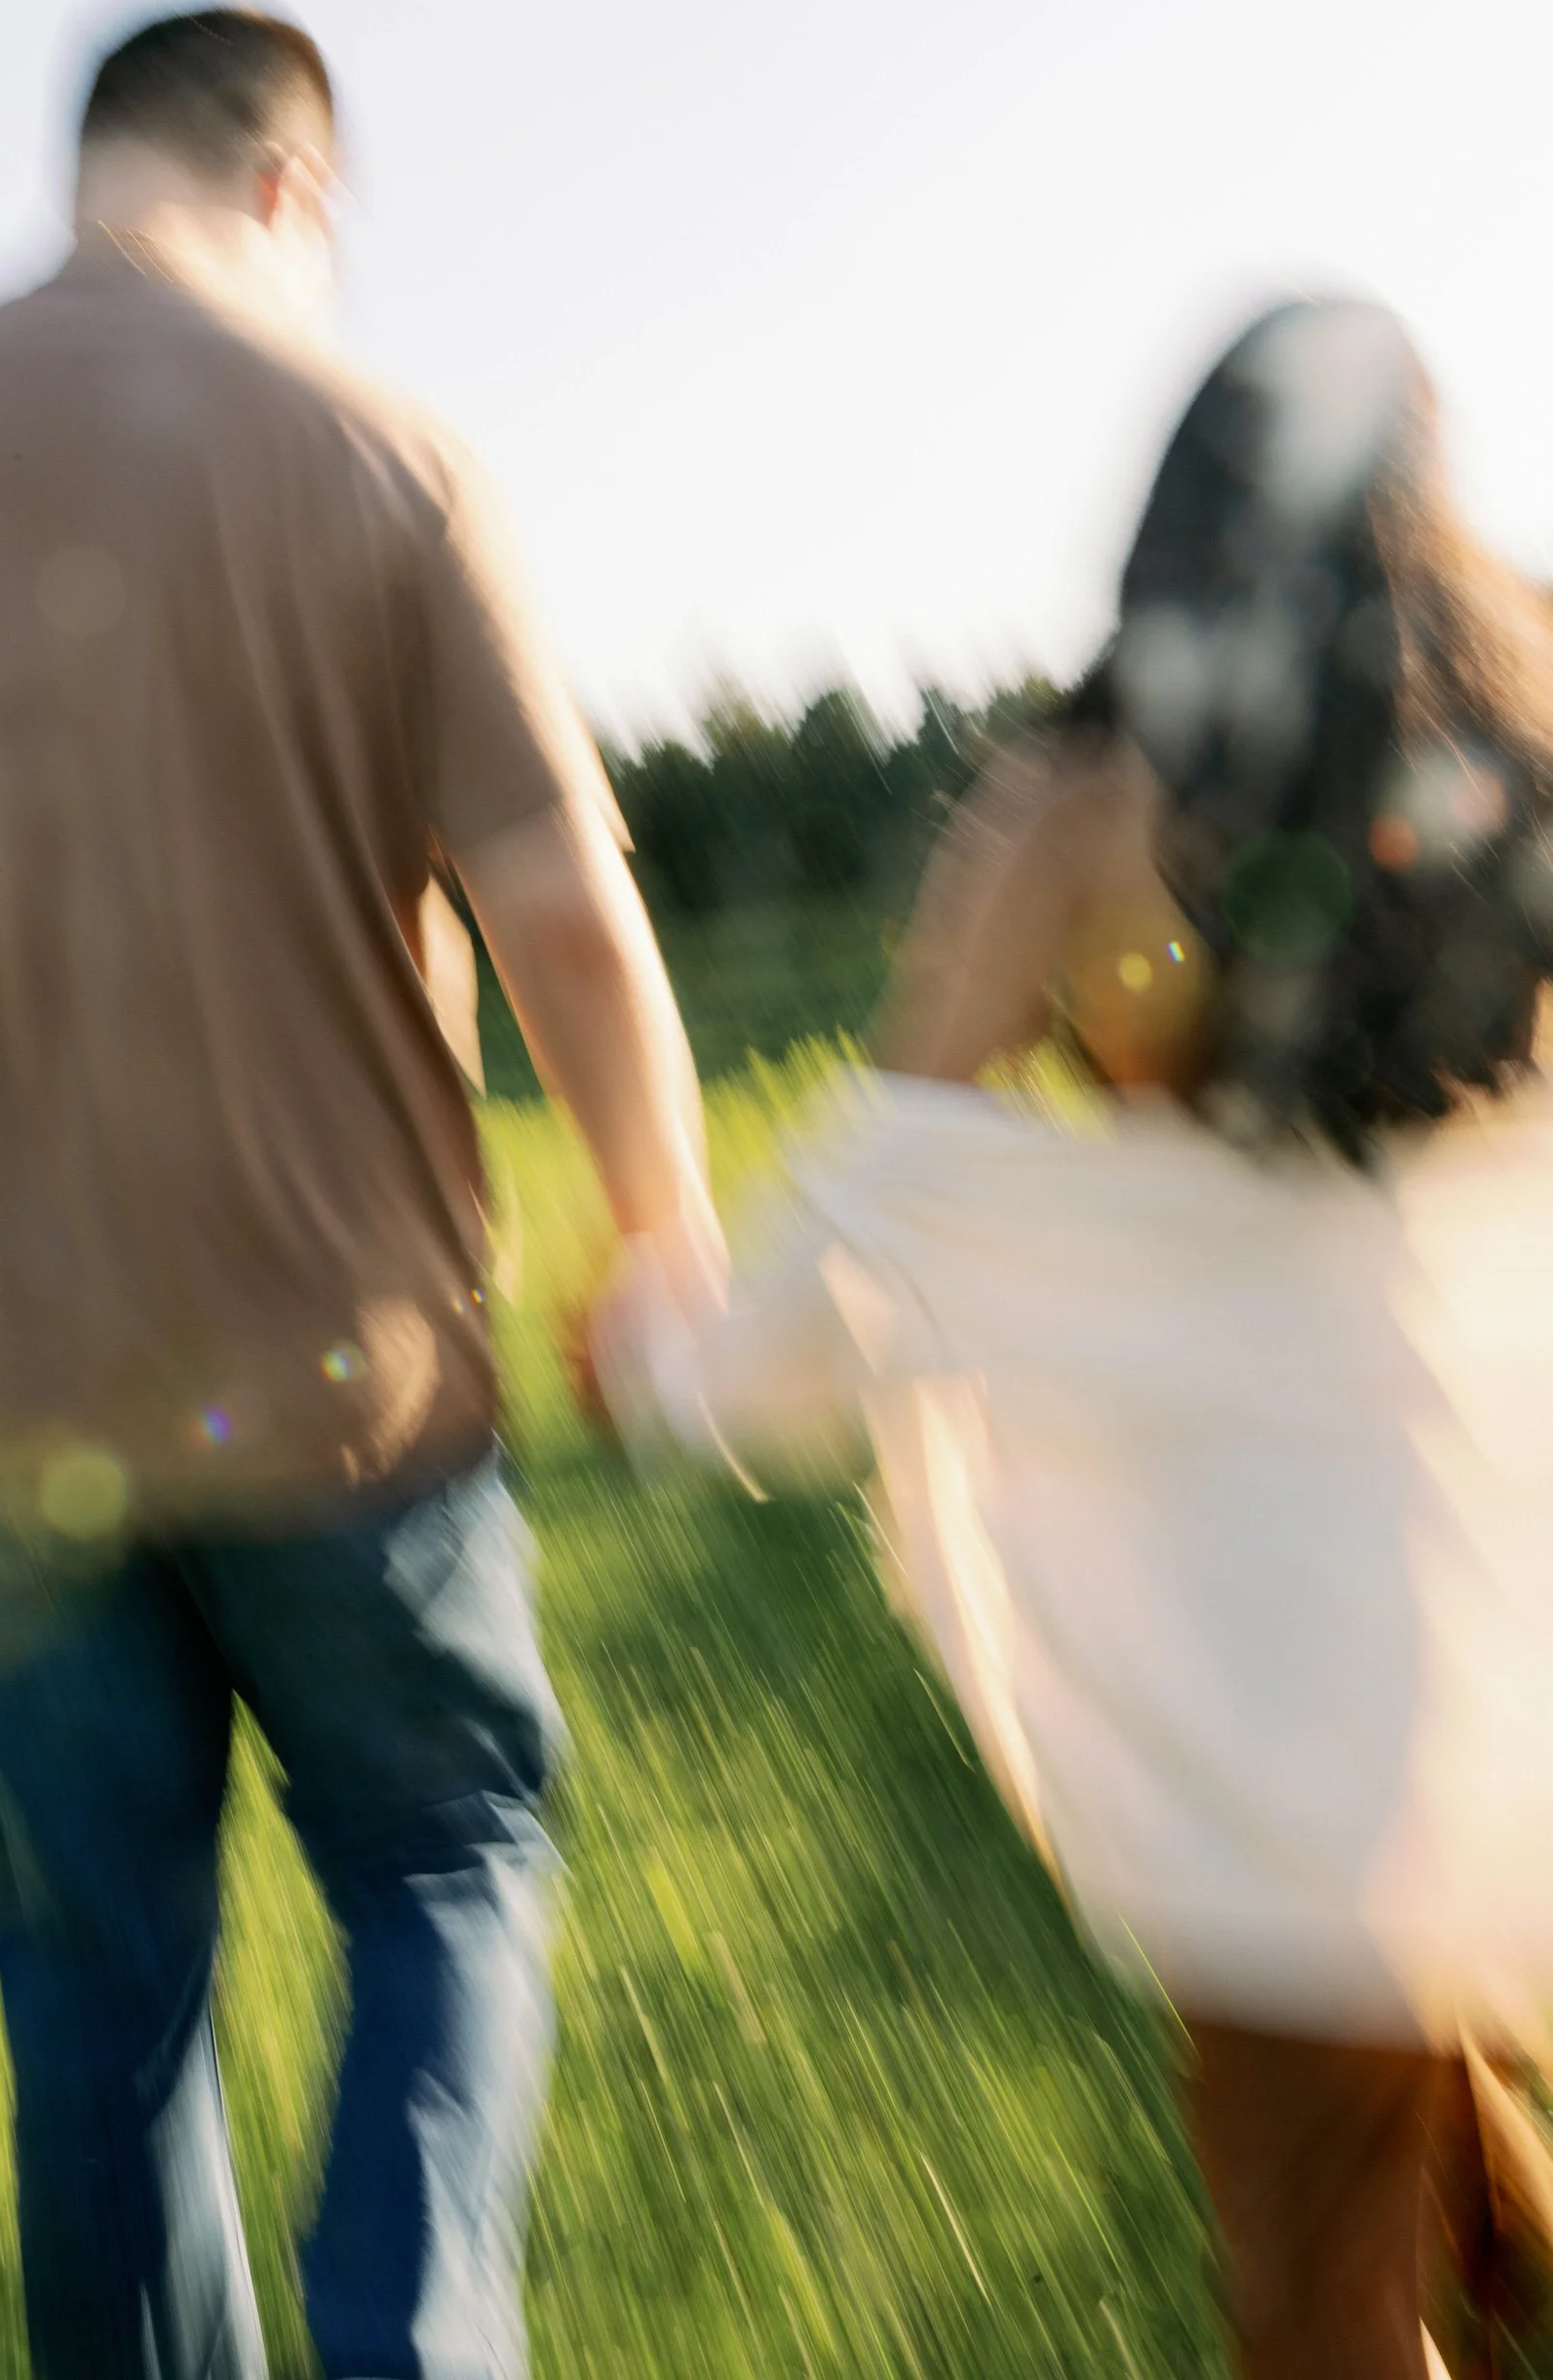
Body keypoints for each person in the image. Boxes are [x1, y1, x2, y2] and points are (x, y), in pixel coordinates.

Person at [592, 298, 1553, 2379]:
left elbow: (879, 1203)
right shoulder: (1532, 752)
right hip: (1505, 1586)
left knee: (1315, 2301)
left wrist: (670, 1358)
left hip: (1268, 1671)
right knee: (1427, 2062)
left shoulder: (1078, 807)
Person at [0, 2, 721, 2380]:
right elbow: (562, 901)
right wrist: (666, 1234)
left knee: (92, 1988)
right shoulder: (379, 451)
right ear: (295, 189)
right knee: (446, 1857)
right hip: (350, 1385)